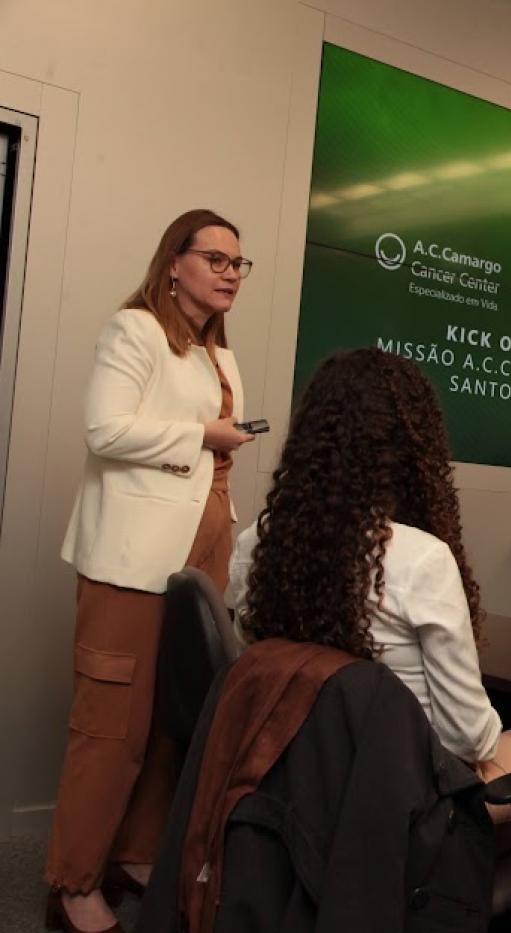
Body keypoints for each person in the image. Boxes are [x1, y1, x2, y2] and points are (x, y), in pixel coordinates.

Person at [46, 209, 255, 933]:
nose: (231, 271)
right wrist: (200, 435)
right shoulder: (133, 330)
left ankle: (133, 855)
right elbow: (104, 428)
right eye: (217, 259)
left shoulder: (218, 354)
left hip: (200, 566)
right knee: (111, 727)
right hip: (131, 565)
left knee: (174, 721)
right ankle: (71, 884)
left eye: (239, 263)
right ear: (174, 262)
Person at [225, 349, 511, 798]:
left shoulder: (252, 548)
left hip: (287, 787)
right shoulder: (421, 560)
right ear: (413, 452)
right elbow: (468, 738)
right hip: (396, 806)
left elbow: (259, 677)